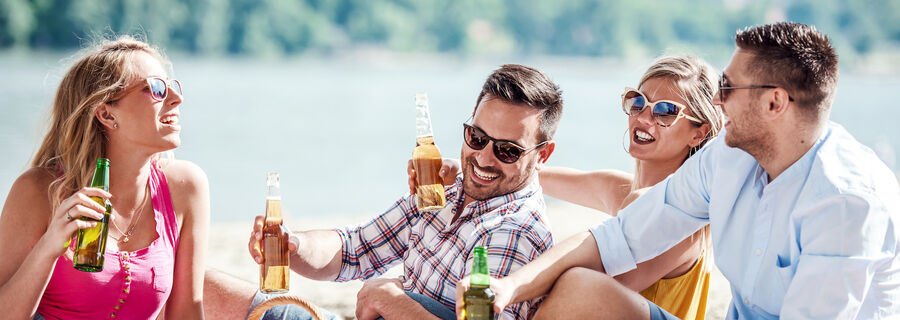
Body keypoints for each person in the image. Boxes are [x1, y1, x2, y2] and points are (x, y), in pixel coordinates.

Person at [457, 22, 900, 319]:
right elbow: (619, 237)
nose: (719, 99)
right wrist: (509, 286)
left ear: (774, 103)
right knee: (579, 285)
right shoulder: (726, 159)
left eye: (726, 87)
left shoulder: (846, 202)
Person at [203, 64, 562, 320]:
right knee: (203, 288)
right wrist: (295, 245)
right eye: (477, 137)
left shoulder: (514, 232)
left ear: (542, 154)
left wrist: (392, 301)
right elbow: (355, 249)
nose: (483, 158)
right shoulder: (444, 191)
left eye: (508, 150)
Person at [428, 55, 723, 319]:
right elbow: (530, 173)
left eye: (666, 112)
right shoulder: (622, 189)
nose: (644, 118)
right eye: (638, 101)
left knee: (573, 280)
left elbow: (576, 299)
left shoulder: (678, 220)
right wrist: (468, 166)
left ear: (699, 134)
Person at [0, 36, 209, 319]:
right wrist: (49, 247)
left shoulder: (186, 188)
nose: (176, 98)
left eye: (172, 86)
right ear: (107, 114)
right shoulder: (38, 190)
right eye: (156, 89)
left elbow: (186, 312)